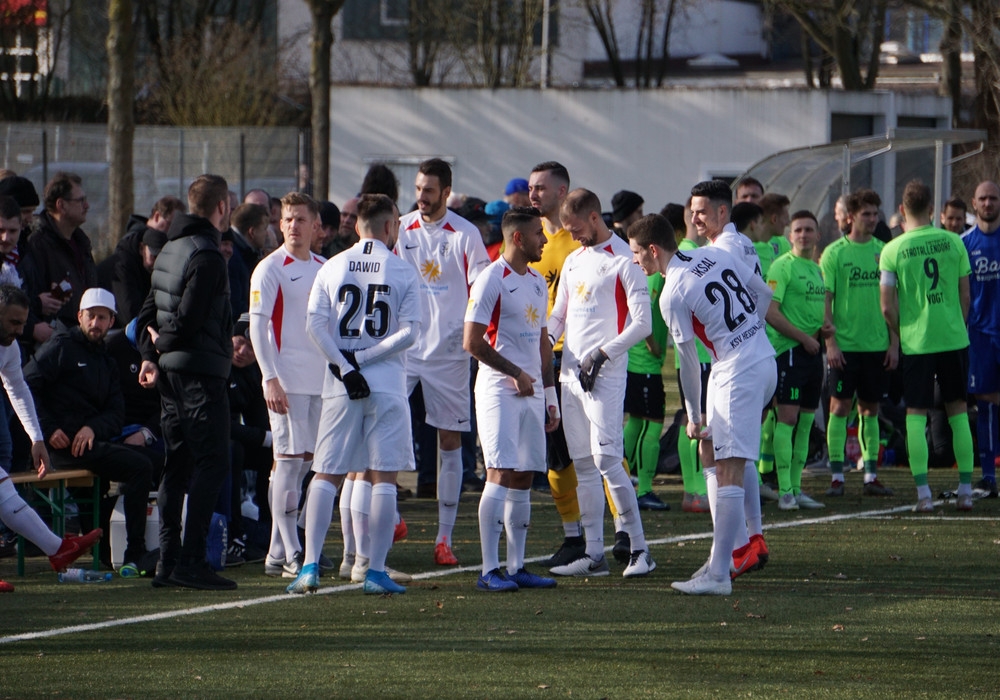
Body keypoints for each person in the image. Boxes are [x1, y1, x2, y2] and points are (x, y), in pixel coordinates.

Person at [627, 214, 776, 596]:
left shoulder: (670, 292)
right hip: (763, 359)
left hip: (736, 371)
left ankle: (720, 573)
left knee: (728, 468)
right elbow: (763, 293)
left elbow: (688, 363)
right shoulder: (717, 255)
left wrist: (693, 416)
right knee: (714, 454)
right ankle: (723, 557)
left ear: (653, 251)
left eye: (636, 253)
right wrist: (749, 333)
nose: (635, 262)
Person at [287, 193, 421, 595]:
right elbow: (410, 332)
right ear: (388, 225)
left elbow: (314, 325)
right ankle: (375, 571)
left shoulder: (332, 265)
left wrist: (346, 366)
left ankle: (309, 565)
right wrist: (366, 357)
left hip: (341, 385)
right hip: (386, 384)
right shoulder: (401, 269)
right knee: (383, 478)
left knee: (326, 473)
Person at [546, 188, 655, 578]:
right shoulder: (574, 260)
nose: (573, 236)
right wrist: (543, 339)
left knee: (608, 459)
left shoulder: (626, 259)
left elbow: (643, 324)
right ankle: (593, 555)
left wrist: (602, 354)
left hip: (605, 374)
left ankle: (640, 549)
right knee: (583, 463)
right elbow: (560, 314)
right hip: (570, 372)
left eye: (576, 228)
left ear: (594, 217)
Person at [136, 173, 236, 590]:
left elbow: (144, 317)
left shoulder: (169, 250)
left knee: (176, 465)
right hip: (199, 372)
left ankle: (168, 562)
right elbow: (190, 320)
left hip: (172, 378)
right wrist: (162, 348)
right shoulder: (208, 255)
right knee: (213, 462)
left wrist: (150, 353)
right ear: (222, 207)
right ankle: (191, 561)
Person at [396, 158, 490, 566]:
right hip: (403, 351)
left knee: (449, 443)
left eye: (429, 190)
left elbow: (483, 289)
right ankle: (391, 516)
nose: (421, 197)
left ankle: (444, 538)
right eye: (418, 189)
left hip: (450, 354)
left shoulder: (466, 235)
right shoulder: (399, 228)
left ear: (447, 192)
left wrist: (476, 341)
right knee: (385, 426)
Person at [24, 287, 154, 574]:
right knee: (139, 467)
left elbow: (115, 411)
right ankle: (134, 551)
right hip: (56, 448)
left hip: (88, 446)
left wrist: (92, 428)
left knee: (146, 460)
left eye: (103, 318)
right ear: (80, 316)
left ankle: (116, 551)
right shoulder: (61, 347)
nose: (96, 323)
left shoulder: (106, 360)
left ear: (112, 321)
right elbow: (26, 385)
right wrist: (47, 429)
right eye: (91, 316)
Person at [463, 206, 560, 591]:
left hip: (532, 392)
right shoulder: (491, 280)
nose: (545, 239)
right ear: (518, 238)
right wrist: (515, 373)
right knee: (499, 473)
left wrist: (549, 395)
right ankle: (489, 570)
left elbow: (541, 343)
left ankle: (516, 566)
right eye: (538, 233)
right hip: (498, 391)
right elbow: (471, 342)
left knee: (523, 476)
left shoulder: (537, 281)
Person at [0, 284, 103, 591]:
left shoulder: (10, 348)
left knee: (2, 487)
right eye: (14, 322)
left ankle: (58, 549)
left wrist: (37, 439)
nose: (20, 330)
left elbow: (17, 389)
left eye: (23, 323)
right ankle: (58, 549)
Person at [880, 179, 974, 512]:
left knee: (916, 416)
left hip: (917, 342)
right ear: (933, 210)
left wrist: (902, 332)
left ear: (903, 210)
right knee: (958, 412)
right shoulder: (954, 242)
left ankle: (924, 496)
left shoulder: (892, 249)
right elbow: (965, 296)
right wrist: (956, 326)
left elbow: (887, 306)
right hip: (953, 338)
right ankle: (965, 490)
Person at [249, 192, 326, 579]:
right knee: (288, 462)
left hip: (321, 382)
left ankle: (277, 551)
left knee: (306, 464)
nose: (293, 225)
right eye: (287, 219)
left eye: (300, 219)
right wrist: (270, 377)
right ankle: (294, 550)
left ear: (316, 226)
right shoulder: (270, 268)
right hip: (286, 382)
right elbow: (258, 326)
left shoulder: (325, 267)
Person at [525, 161, 587, 565]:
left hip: (576, 355)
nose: (533, 194)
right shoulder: (526, 240)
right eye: (531, 188)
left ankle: (621, 533)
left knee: (597, 449)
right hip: (537, 355)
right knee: (556, 453)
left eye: (541, 188)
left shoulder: (580, 241)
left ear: (562, 192)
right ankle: (573, 536)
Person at [820, 188, 897, 497]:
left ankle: (870, 475)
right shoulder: (834, 253)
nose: (873, 218)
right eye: (866, 214)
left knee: (870, 410)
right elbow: (825, 302)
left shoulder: (885, 251)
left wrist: (894, 343)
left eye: (875, 213)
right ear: (851, 217)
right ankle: (837, 475)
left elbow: (894, 301)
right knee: (838, 408)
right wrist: (831, 344)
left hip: (876, 345)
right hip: (845, 347)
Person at [764, 211, 830, 511]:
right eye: (798, 230)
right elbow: (770, 312)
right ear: (790, 236)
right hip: (789, 352)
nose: (803, 235)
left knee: (805, 423)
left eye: (809, 230)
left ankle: (798, 487)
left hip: (813, 352)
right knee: (787, 420)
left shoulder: (816, 270)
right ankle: (785, 491)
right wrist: (803, 337)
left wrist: (821, 331)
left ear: (817, 236)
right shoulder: (782, 266)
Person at [19, 171, 99, 350]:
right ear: (61, 205)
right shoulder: (37, 244)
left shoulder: (81, 242)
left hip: (82, 338)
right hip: (54, 344)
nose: (86, 206)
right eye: (80, 200)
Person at [961, 180, 1000, 497]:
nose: (988, 203)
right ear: (974, 204)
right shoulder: (963, 243)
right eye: (983, 198)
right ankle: (988, 477)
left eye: (993, 198)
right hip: (980, 336)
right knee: (986, 405)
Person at [98, 196, 184, 327]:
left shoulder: (136, 248)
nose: (172, 232)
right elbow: (130, 311)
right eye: (170, 224)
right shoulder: (126, 258)